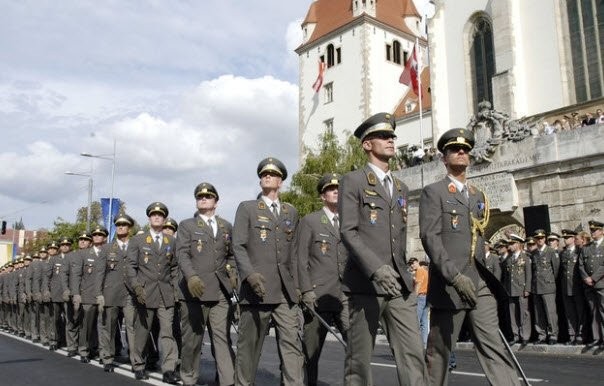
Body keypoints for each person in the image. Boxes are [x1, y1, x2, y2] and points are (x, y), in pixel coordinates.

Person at [419, 128, 519, 386]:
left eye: (465, 150)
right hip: (450, 285)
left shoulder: (478, 196)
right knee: (439, 353)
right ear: (444, 158)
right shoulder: (435, 192)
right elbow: (430, 238)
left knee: (493, 346)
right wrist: (454, 276)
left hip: (479, 282)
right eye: (454, 149)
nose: (461, 152)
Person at [339, 113, 427, 386]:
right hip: (366, 282)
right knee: (359, 360)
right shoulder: (353, 181)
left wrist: (403, 272)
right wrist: (376, 268)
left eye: (392, 136)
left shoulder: (401, 187)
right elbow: (348, 231)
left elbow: (398, 235)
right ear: (367, 144)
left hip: (399, 284)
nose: (391, 140)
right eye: (383, 136)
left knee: (413, 353)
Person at [233, 157, 304, 386]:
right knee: (249, 348)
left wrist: (299, 287)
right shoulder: (248, 208)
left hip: (285, 292)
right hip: (257, 289)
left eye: (272, 174)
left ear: (281, 181)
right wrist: (249, 274)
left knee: (292, 344)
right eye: (264, 174)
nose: (267, 176)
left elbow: (294, 253)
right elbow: (238, 246)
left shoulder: (290, 212)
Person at [177, 182, 236, 386]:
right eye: (200, 197)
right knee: (193, 341)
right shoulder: (187, 225)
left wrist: (232, 273)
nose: (203, 199)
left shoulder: (226, 226)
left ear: (216, 202)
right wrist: (191, 276)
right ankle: (189, 378)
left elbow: (231, 256)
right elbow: (182, 254)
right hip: (194, 291)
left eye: (208, 196)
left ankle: (228, 381)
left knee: (222, 340)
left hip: (220, 291)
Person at [296, 173, 349, 386]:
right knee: (311, 353)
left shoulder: (349, 221)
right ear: (322, 196)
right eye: (330, 189)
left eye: (339, 188)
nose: (336, 191)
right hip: (317, 295)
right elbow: (300, 259)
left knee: (356, 347)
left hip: (345, 295)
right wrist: (306, 290)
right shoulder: (311, 221)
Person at [127, 202, 180, 383]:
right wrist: (136, 287)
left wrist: (175, 289)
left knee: (167, 333)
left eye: (160, 215)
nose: (157, 217)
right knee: (142, 332)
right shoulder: (137, 241)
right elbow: (131, 267)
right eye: (153, 215)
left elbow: (174, 268)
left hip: (166, 294)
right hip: (145, 293)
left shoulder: (171, 241)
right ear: (149, 218)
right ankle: (139, 364)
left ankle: (168, 369)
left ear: (164, 219)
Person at [97, 213, 136, 372]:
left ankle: (136, 361)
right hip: (111, 293)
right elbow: (100, 273)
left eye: (124, 225)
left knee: (132, 327)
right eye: (118, 225)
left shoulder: (135, 245)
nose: (120, 227)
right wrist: (99, 294)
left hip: (130, 294)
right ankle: (107, 358)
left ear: (129, 227)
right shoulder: (107, 248)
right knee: (110, 327)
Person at [70, 229, 102, 362]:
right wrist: (76, 294)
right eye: (94, 235)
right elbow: (76, 276)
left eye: (86, 239)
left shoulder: (105, 253)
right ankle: (84, 350)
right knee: (86, 326)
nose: (83, 241)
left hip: (103, 295)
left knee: (100, 326)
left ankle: (97, 350)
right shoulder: (81, 255)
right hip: (88, 295)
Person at [530, 229, 560, 345]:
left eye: (541, 238)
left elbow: (556, 269)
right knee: (539, 313)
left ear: (545, 239)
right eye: (537, 238)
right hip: (536, 286)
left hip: (548, 286)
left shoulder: (551, 251)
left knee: (550, 312)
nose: (540, 240)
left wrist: (550, 281)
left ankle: (553, 335)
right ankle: (542, 335)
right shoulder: (534, 253)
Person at [578, 220, 604, 349]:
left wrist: (593, 278)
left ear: (602, 231)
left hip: (601, 284)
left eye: (595, 230)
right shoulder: (587, 247)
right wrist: (586, 278)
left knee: (603, 311)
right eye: (591, 230)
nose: (593, 233)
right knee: (593, 312)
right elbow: (581, 264)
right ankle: (596, 338)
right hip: (589, 285)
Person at [502, 234, 531, 345]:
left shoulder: (525, 257)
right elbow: (506, 276)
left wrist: (527, 288)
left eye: (512, 244)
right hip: (511, 289)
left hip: (521, 288)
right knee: (513, 313)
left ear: (518, 244)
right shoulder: (509, 259)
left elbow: (528, 274)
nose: (510, 246)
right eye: (509, 244)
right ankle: (516, 335)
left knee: (524, 313)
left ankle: (525, 336)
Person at [559, 229, 585, 345]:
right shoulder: (563, 253)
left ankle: (581, 334)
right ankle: (572, 335)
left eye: (568, 237)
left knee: (580, 311)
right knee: (569, 312)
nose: (565, 240)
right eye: (564, 238)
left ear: (573, 238)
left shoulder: (579, 251)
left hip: (577, 286)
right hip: (566, 286)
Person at [408, 257, 429, 349]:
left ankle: (415, 344)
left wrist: (414, 297)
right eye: (410, 264)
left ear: (417, 262)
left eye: (413, 263)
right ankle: (424, 343)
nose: (412, 265)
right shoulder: (425, 271)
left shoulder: (420, 271)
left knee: (415, 321)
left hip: (420, 297)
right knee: (424, 321)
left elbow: (419, 284)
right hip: (426, 297)